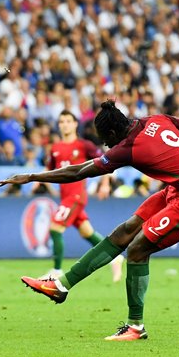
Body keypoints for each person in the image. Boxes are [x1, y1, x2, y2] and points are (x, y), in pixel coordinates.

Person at [0, 95, 179, 341]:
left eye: (105, 138)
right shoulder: (155, 120)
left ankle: (135, 325)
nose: (104, 144)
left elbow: (79, 172)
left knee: (136, 250)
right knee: (125, 231)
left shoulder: (126, 148)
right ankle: (61, 285)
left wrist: (33, 176)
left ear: (113, 133)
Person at [39, 110, 122, 282]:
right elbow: (50, 171)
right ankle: (115, 257)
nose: (65, 124)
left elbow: (106, 161)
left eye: (68, 121)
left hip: (76, 196)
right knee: (87, 232)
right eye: (61, 121)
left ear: (75, 124)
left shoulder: (84, 145)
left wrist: (105, 184)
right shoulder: (55, 148)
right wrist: (41, 182)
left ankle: (56, 271)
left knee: (55, 228)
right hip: (65, 197)